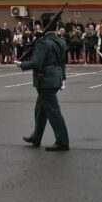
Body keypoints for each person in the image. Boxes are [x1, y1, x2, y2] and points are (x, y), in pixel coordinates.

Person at [15, 13, 69, 151]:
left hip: (45, 79)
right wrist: (63, 78)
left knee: (53, 111)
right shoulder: (59, 40)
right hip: (55, 77)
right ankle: (36, 137)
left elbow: (37, 62)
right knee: (40, 110)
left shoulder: (43, 41)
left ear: (43, 25)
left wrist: (21, 64)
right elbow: (62, 62)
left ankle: (62, 141)